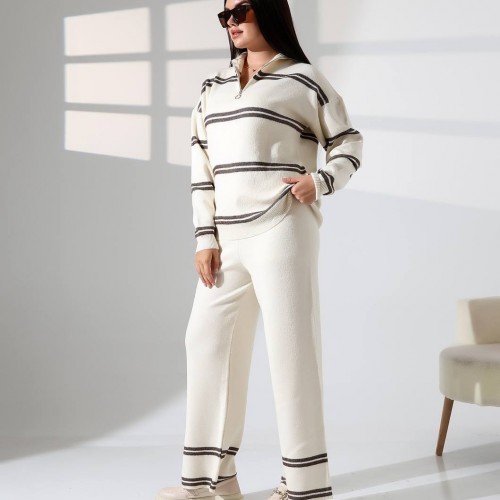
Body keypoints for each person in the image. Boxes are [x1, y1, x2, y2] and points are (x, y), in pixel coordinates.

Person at [155, 0, 363, 499]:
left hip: (283, 227)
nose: (231, 22)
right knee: (205, 342)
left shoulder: (303, 80)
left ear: (268, 11)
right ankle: (210, 482)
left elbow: (348, 141)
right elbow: (202, 168)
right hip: (227, 240)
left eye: (241, 11)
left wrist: (321, 181)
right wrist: (205, 237)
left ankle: (306, 486)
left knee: (292, 352)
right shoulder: (212, 88)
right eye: (224, 15)